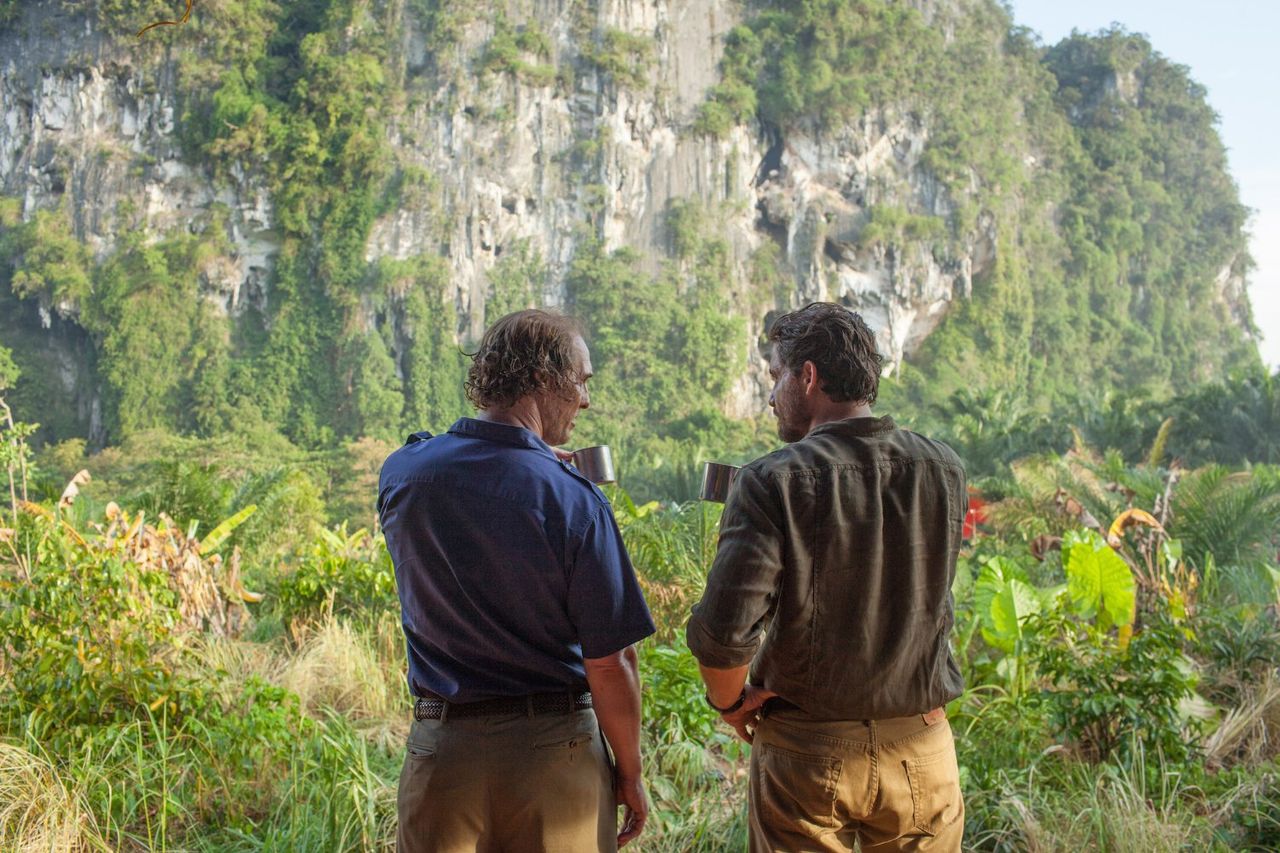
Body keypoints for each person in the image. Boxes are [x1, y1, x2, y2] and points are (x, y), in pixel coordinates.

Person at [686, 302, 966, 851]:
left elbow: (723, 634)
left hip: (808, 756)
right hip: (923, 746)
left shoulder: (772, 480)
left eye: (776, 376)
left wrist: (730, 704)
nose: (771, 396)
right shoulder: (944, 468)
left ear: (808, 376)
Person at [379, 309, 655, 852]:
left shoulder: (405, 474)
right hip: (554, 762)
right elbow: (611, 662)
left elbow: (462, 465)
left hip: (441, 759)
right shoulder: (574, 500)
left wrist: (524, 458)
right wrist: (630, 773)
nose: (586, 400)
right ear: (542, 378)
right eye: (582, 381)